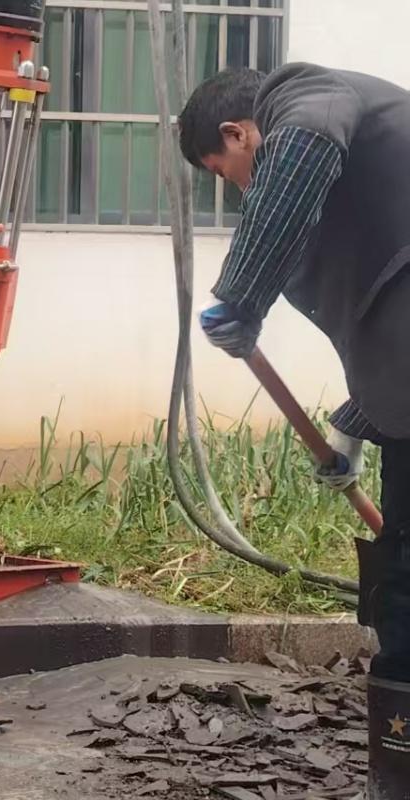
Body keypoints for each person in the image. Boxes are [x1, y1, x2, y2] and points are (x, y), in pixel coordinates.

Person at [178, 62, 410, 798]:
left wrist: (241, 296)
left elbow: (301, 153)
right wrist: (353, 427)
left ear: (238, 133)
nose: (242, 191)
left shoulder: (306, 100)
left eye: (228, 173)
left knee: (406, 591)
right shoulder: (362, 179)